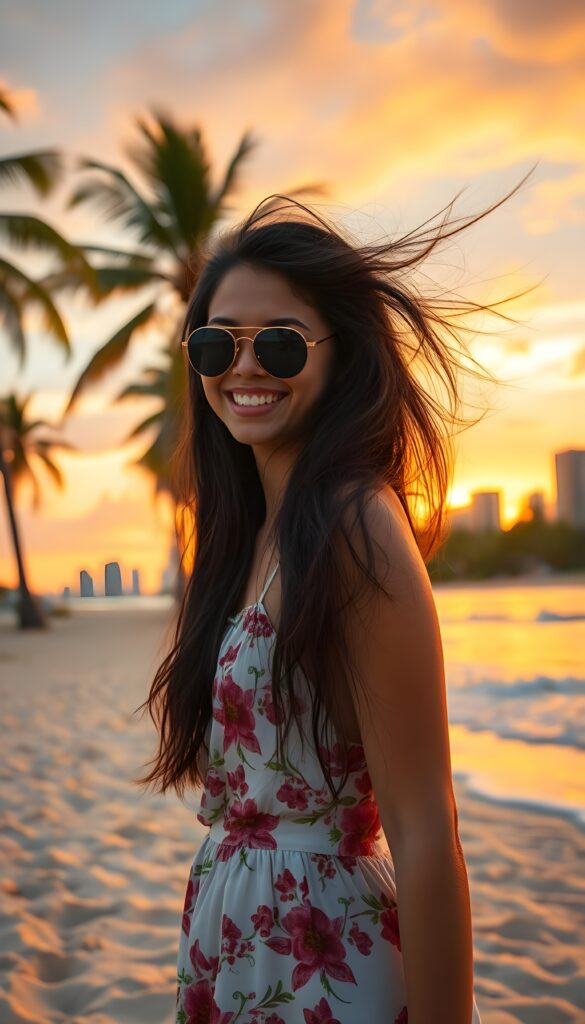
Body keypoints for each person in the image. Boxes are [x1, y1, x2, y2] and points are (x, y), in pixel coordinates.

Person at [136, 178, 537, 1023]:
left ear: (338, 353)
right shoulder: (244, 535)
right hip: (234, 939)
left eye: (278, 345)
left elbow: (426, 831)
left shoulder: (354, 526)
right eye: (217, 345)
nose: (243, 367)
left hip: (325, 953)